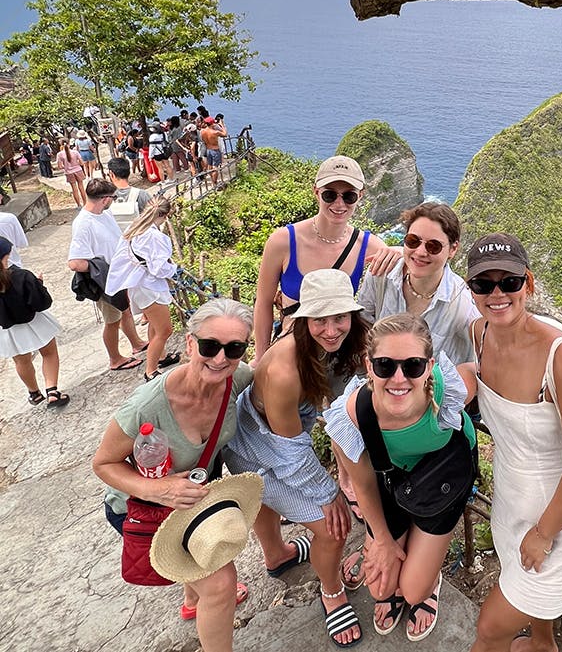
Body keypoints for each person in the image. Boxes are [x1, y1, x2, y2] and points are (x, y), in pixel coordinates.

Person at [462, 233, 562, 652]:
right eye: (483, 284)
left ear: (530, 283)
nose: (497, 293)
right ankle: (544, 644)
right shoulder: (479, 335)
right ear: (471, 291)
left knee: (490, 630)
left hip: (560, 520)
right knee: (534, 611)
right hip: (510, 502)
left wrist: (545, 533)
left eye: (509, 281)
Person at [92, 298, 254, 652]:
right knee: (222, 584)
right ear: (190, 342)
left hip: (189, 503)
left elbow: (274, 374)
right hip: (140, 506)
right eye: (210, 346)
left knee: (203, 567)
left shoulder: (236, 379)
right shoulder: (147, 405)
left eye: (234, 348)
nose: (221, 358)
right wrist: (159, 489)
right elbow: (103, 463)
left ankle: (193, 600)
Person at [225, 269, 368, 648]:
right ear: (304, 320)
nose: (332, 329)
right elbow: (290, 453)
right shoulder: (286, 368)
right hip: (251, 445)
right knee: (331, 527)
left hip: (274, 434)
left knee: (268, 503)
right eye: (320, 319)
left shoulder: (342, 343)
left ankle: (277, 556)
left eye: (340, 317)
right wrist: (329, 493)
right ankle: (332, 590)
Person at [324, 313, 478, 642]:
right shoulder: (355, 413)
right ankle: (406, 538)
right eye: (385, 366)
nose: (398, 378)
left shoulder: (444, 392)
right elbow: (364, 485)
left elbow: (473, 374)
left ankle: (428, 575)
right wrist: (381, 540)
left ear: (429, 366)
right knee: (381, 589)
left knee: (411, 591)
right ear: (368, 366)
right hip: (392, 475)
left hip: (445, 472)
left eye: (412, 366)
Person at [252, 155, 399, 361]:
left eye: (349, 196)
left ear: (360, 196)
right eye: (330, 195)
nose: (339, 204)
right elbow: (264, 303)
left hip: (340, 349)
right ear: (316, 192)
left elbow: (414, 270)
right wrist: (261, 356)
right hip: (294, 350)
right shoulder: (283, 241)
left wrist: (401, 251)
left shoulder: (368, 245)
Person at [358, 202, 479, 365]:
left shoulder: (463, 304)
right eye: (413, 241)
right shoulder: (381, 275)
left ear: (453, 249)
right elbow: (362, 327)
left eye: (433, 246)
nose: (421, 252)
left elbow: (476, 361)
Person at [68, 179, 147, 371]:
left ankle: (136, 343)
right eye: (112, 197)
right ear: (104, 199)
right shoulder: (83, 224)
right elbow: (75, 263)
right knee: (112, 320)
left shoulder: (104, 214)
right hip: (104, 279)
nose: (113, 200)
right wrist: (101, 268)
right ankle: (115, 358)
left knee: (125, 311)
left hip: (118, 274)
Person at [106, 196, 180, 381]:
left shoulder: (135, 228)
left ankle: (160, 357)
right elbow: (158, 268)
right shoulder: (155, 236)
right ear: (165, 215)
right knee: (165, 330)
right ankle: (151, 371)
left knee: (155, 327)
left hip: (138, 284)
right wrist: (174, 268)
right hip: (150, 287)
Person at [0, 236, 69, 407]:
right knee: (49, 353)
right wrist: (39, 285)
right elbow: (42, 303)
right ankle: (52, 391)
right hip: (35, 322)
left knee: (21, 361)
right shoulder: (22, 276)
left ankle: (34, 393)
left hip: (8, 329)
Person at [106, 156, 152, 230]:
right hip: (139, 237)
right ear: (129, 173)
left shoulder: (104, 198)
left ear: (112, 174)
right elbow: (153, 217)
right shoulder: (142, 195)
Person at [56, 138, 86, 207]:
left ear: (61, 145)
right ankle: (85, 202)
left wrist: (66, 167)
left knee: (74, 189)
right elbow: (81, 163)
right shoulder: (75, 152)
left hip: (69, 172)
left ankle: (78, 205)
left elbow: (60, 167)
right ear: (69, 143)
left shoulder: (59, 154)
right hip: (78, 170)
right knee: (81, 187)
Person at [200, 116, 227, 187]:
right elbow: (225, 134)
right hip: (215, 150)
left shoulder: (202, 131)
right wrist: (222, 125)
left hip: (208, 150)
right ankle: (215, 183)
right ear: (212, 124)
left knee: (210, 165)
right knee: (215, 167)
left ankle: (212, 180)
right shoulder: (215, 132)